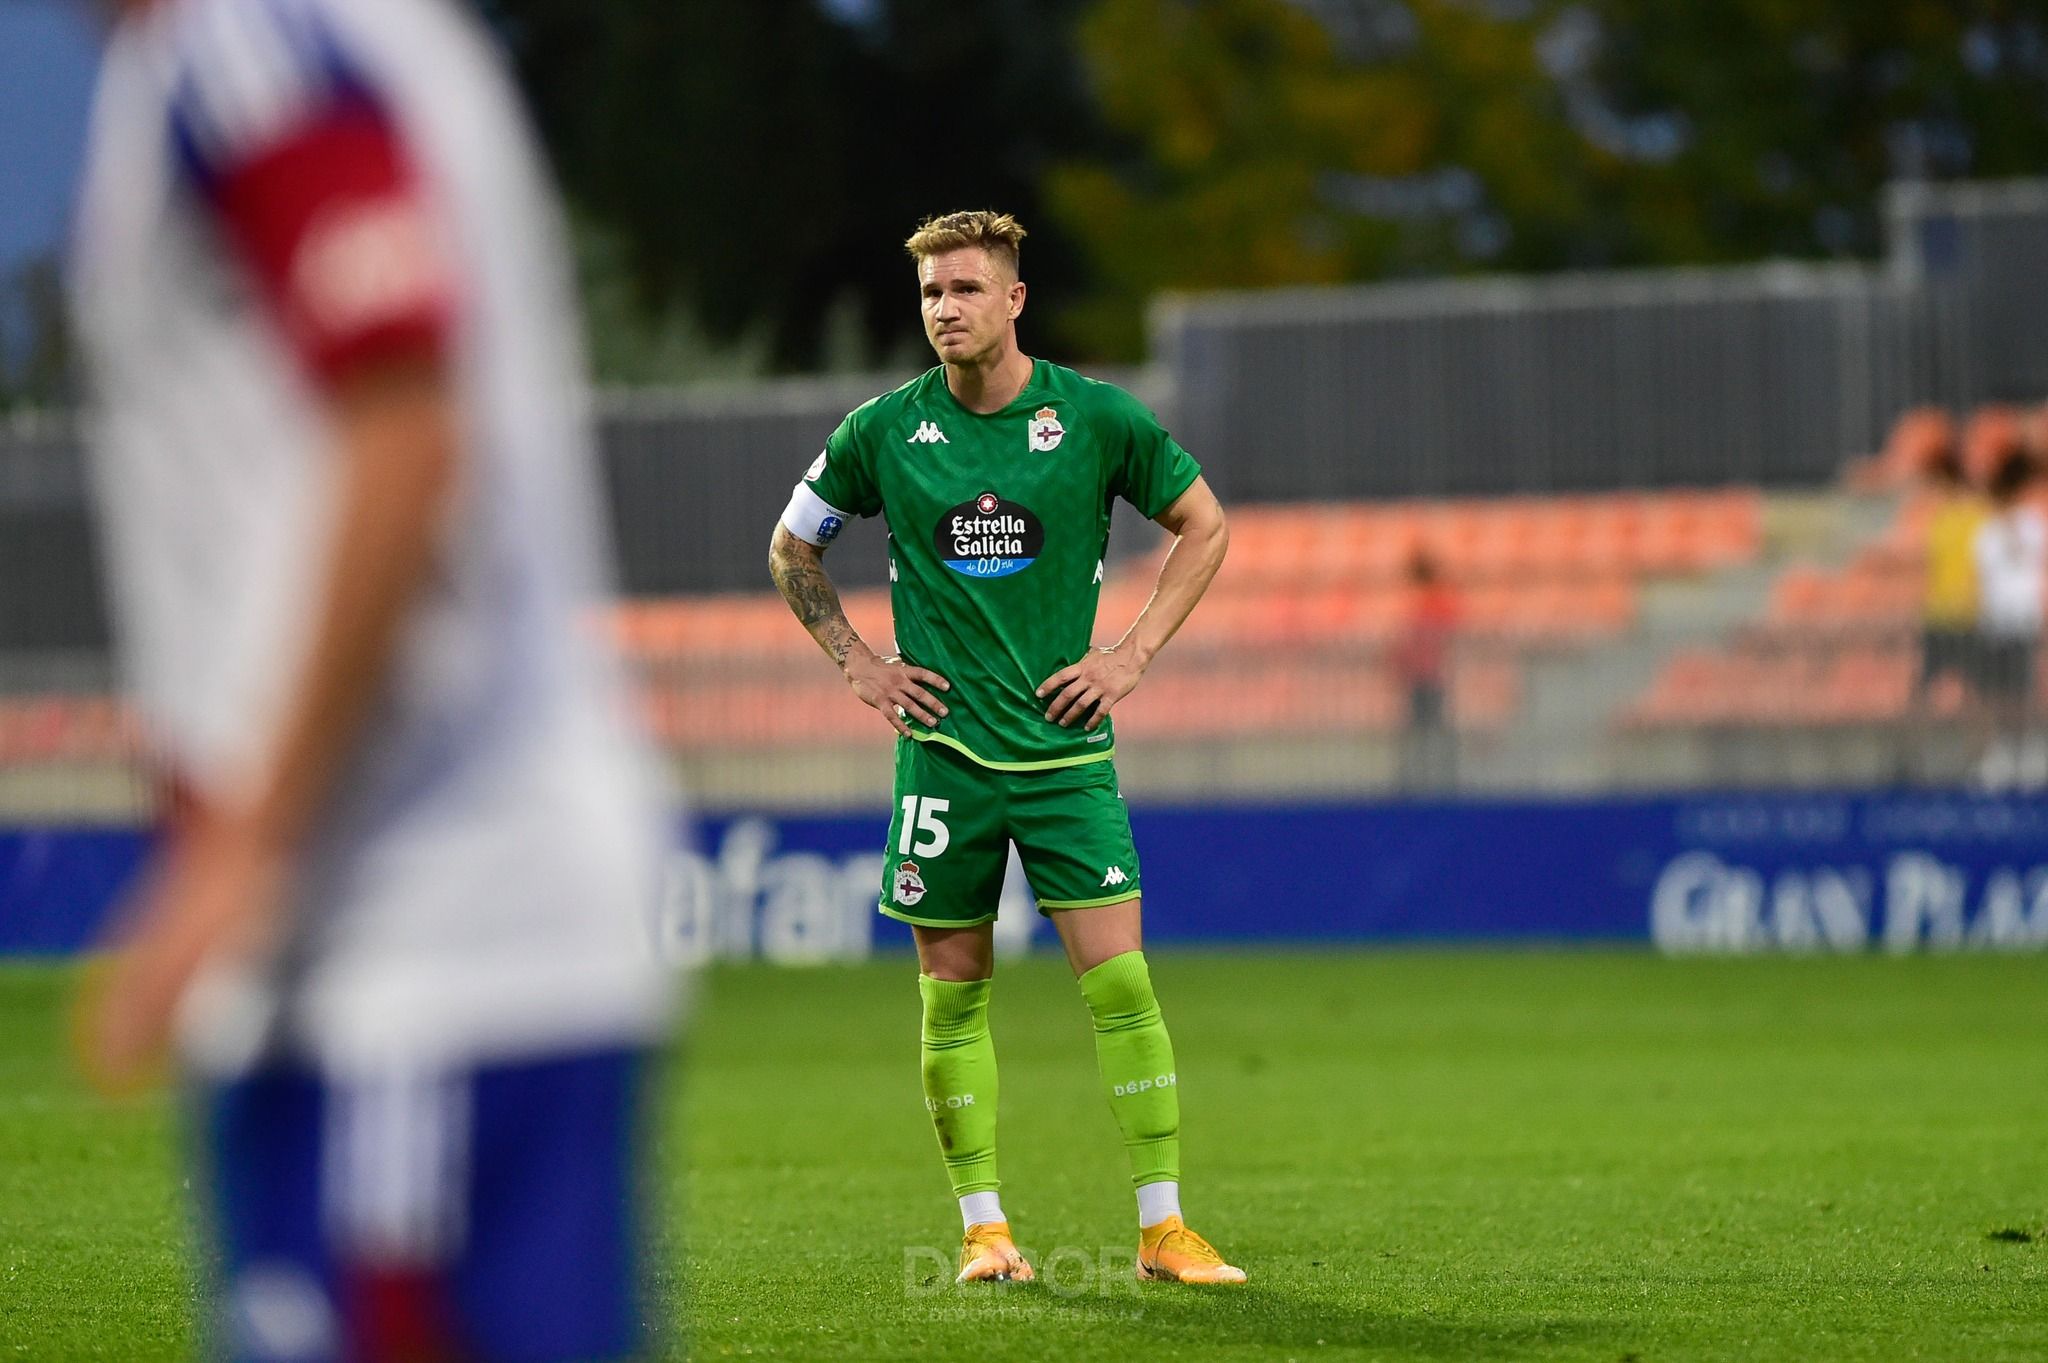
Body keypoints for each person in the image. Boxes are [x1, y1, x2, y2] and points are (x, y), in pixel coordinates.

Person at [71, 1, 676, 1358]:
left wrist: (245, 835)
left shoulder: (245, 52)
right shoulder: (341, 36)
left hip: (408, 950)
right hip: (429, 941)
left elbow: (403, 420)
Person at [767, 211, 1242, 1285]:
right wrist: (856, 661)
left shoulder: (1094, 418)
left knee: (1121, 986)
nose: (944, 310)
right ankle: (985, 1231)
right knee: (952, 989)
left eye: (966, 290)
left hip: (1067, 754)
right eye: (932, 294)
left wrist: (1129, 654)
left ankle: (1163, 1229)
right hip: (942, 759)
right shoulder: (883, 432)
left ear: (1013, 299)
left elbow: (1204, 524)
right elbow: (792, 546)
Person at [1969, 450, 2046, 790]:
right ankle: (1998, 753)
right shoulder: (1986, 531)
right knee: (1996, 690)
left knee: (2024, 690)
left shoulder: (2030, 523)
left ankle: (2028, 750)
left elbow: (2030, 553)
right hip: (1996, 621)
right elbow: (1984, 572)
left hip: (2022, 618)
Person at [1907, 446, 1984, 781]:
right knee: (1922, 693)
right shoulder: (1942, 518)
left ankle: (1979, 759)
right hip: (1939, 617)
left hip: (1967, 617)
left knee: (1975, 695)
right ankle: (1914, 762)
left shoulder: (1977, 516)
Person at [1393, 549, 1460, 791]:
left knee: (1429, 730)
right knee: (1420, 730)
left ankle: (1434, 781)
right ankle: (1417, 781)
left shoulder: (1434, 602)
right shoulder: (1427, 602)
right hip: (1422, 676)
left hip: (1430, 676)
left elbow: (1443, 633)